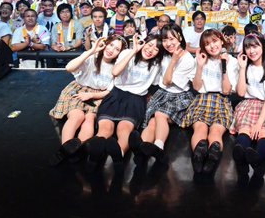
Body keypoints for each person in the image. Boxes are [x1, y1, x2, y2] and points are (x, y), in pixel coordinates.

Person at [85, 34, 163, 171]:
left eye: (156, 49)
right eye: (150, 45)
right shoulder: (127, 53)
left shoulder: (156, 65)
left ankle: (119, 154)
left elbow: (157, 84)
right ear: (143, 43)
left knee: (125, 129)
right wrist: (134, 51)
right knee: (105, 128)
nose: (151, 50)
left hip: (136, 99)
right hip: (116, 94)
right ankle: (95, 154)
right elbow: (115, 72)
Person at [48, 35, 124, 166]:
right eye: (111, 45)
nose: (111, 50)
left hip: (97, 95)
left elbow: (109, 90)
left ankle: (79, 148)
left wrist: (91, 95)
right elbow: (69, 68)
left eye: (117, 49)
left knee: (89, 119)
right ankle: (65, 148)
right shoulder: (91, 57)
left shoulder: (117, 67)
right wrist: (91, 51)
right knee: (77, 116)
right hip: (79, 89)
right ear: (105, 43)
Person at [130, 24, 195, 165]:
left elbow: (167, 81)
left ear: (180, 37)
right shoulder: (164, 54)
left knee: (160, 114)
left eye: (172, 39)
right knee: (152, 121)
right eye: (165, 40)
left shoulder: (187, 59)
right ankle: (141, 150)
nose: (168, 43)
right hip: (162, 94)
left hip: (179, 97)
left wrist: (174, 61)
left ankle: (159, 147)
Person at [181, 29, 239, 174]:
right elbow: (196, 87)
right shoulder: (201, 59)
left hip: (222, 100)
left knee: (216, 131)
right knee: (200, 128)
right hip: (202, 98)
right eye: (207, 44)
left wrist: (224, 66)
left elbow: (226, 90)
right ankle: (198, 158)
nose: (212, 46)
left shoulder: (232, 61)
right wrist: (200, 65)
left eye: (214, 41)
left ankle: (213, 158)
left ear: (221, 41)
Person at [231, 33, 265, 181]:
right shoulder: (244, 66)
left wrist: (259, 123)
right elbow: (241, 93)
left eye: (255, 46)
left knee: (264, 134)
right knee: (244, 131)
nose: (251, 51)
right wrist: (242, 68)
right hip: (249, 103)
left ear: (263, 47)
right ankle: (241, 158)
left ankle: (257, 159)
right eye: (248, 47)